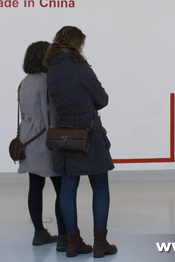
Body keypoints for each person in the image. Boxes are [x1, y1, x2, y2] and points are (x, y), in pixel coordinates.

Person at [44, 26, 117, 258]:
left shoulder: (51, 70)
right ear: (77, 44)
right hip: (89, 134)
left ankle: (73, 243)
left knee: (67, 187)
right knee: (100, 186)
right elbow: (102, 99)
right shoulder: (81, 68)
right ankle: (100, 243)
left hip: (64, 136)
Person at [17, 41, 67, 250]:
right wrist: (57, 140)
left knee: (35, 186)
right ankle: (64, 236)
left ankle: (39, 232)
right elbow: (49, 114)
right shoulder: (46, 82)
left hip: (27, 138)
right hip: (45, 138)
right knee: (61, 186)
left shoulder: (24, 82)